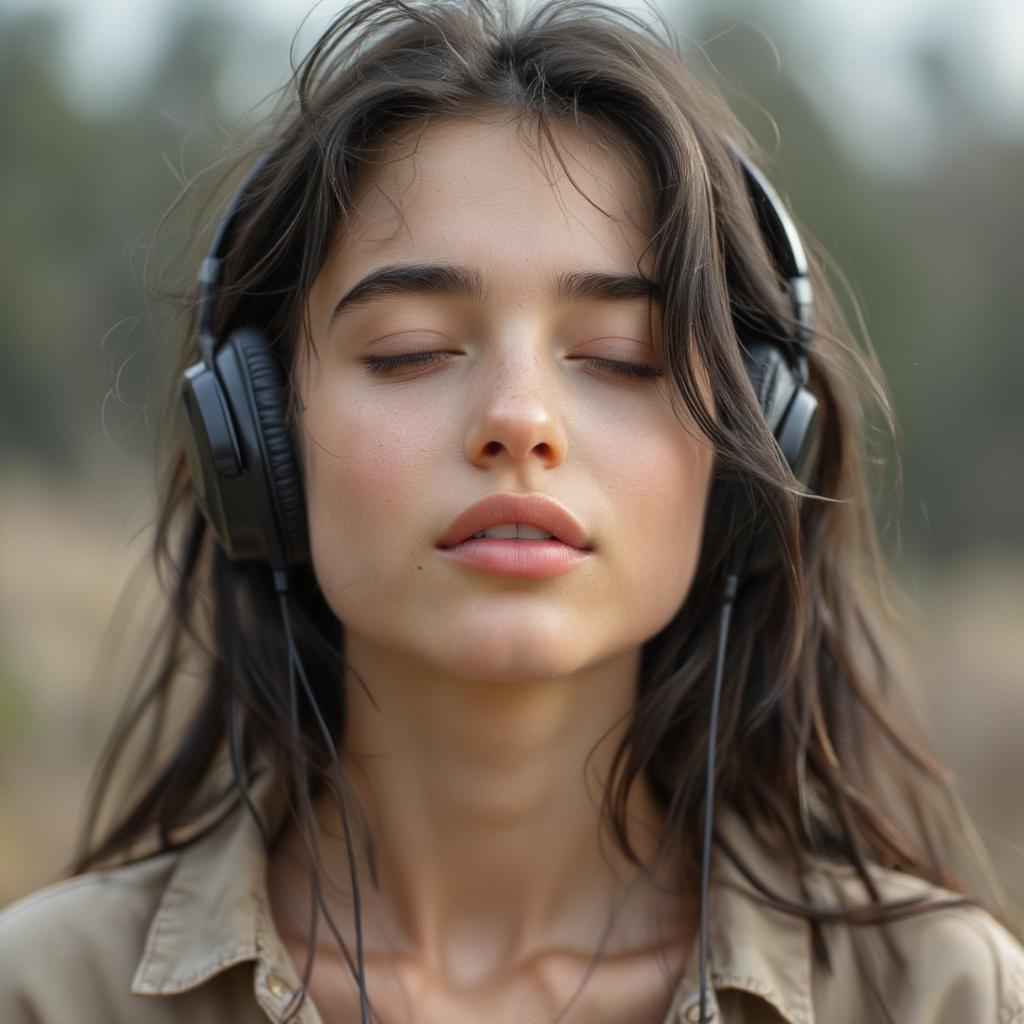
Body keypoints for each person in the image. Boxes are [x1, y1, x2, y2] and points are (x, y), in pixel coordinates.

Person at [1, 1, 1022, 1021]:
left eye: (624, 358)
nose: (520, 420)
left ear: (754, 454)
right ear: (254, 437)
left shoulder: (945, 995)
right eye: (409, 349)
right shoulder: (46, 989)